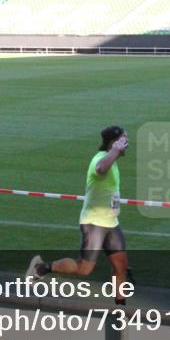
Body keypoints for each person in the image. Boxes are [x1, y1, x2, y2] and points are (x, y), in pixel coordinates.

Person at [27, 125, 133, 305]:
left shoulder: (112, 161)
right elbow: (100, 168)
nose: (127, 143)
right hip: (94, 223)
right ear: (113, 143)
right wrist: (116, 150)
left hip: (111, 222)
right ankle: (42, 267)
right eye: (123, 140)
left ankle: (120, 309)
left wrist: (115, 152)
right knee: (84, 268)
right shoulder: (99, 159)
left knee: (120, 266)